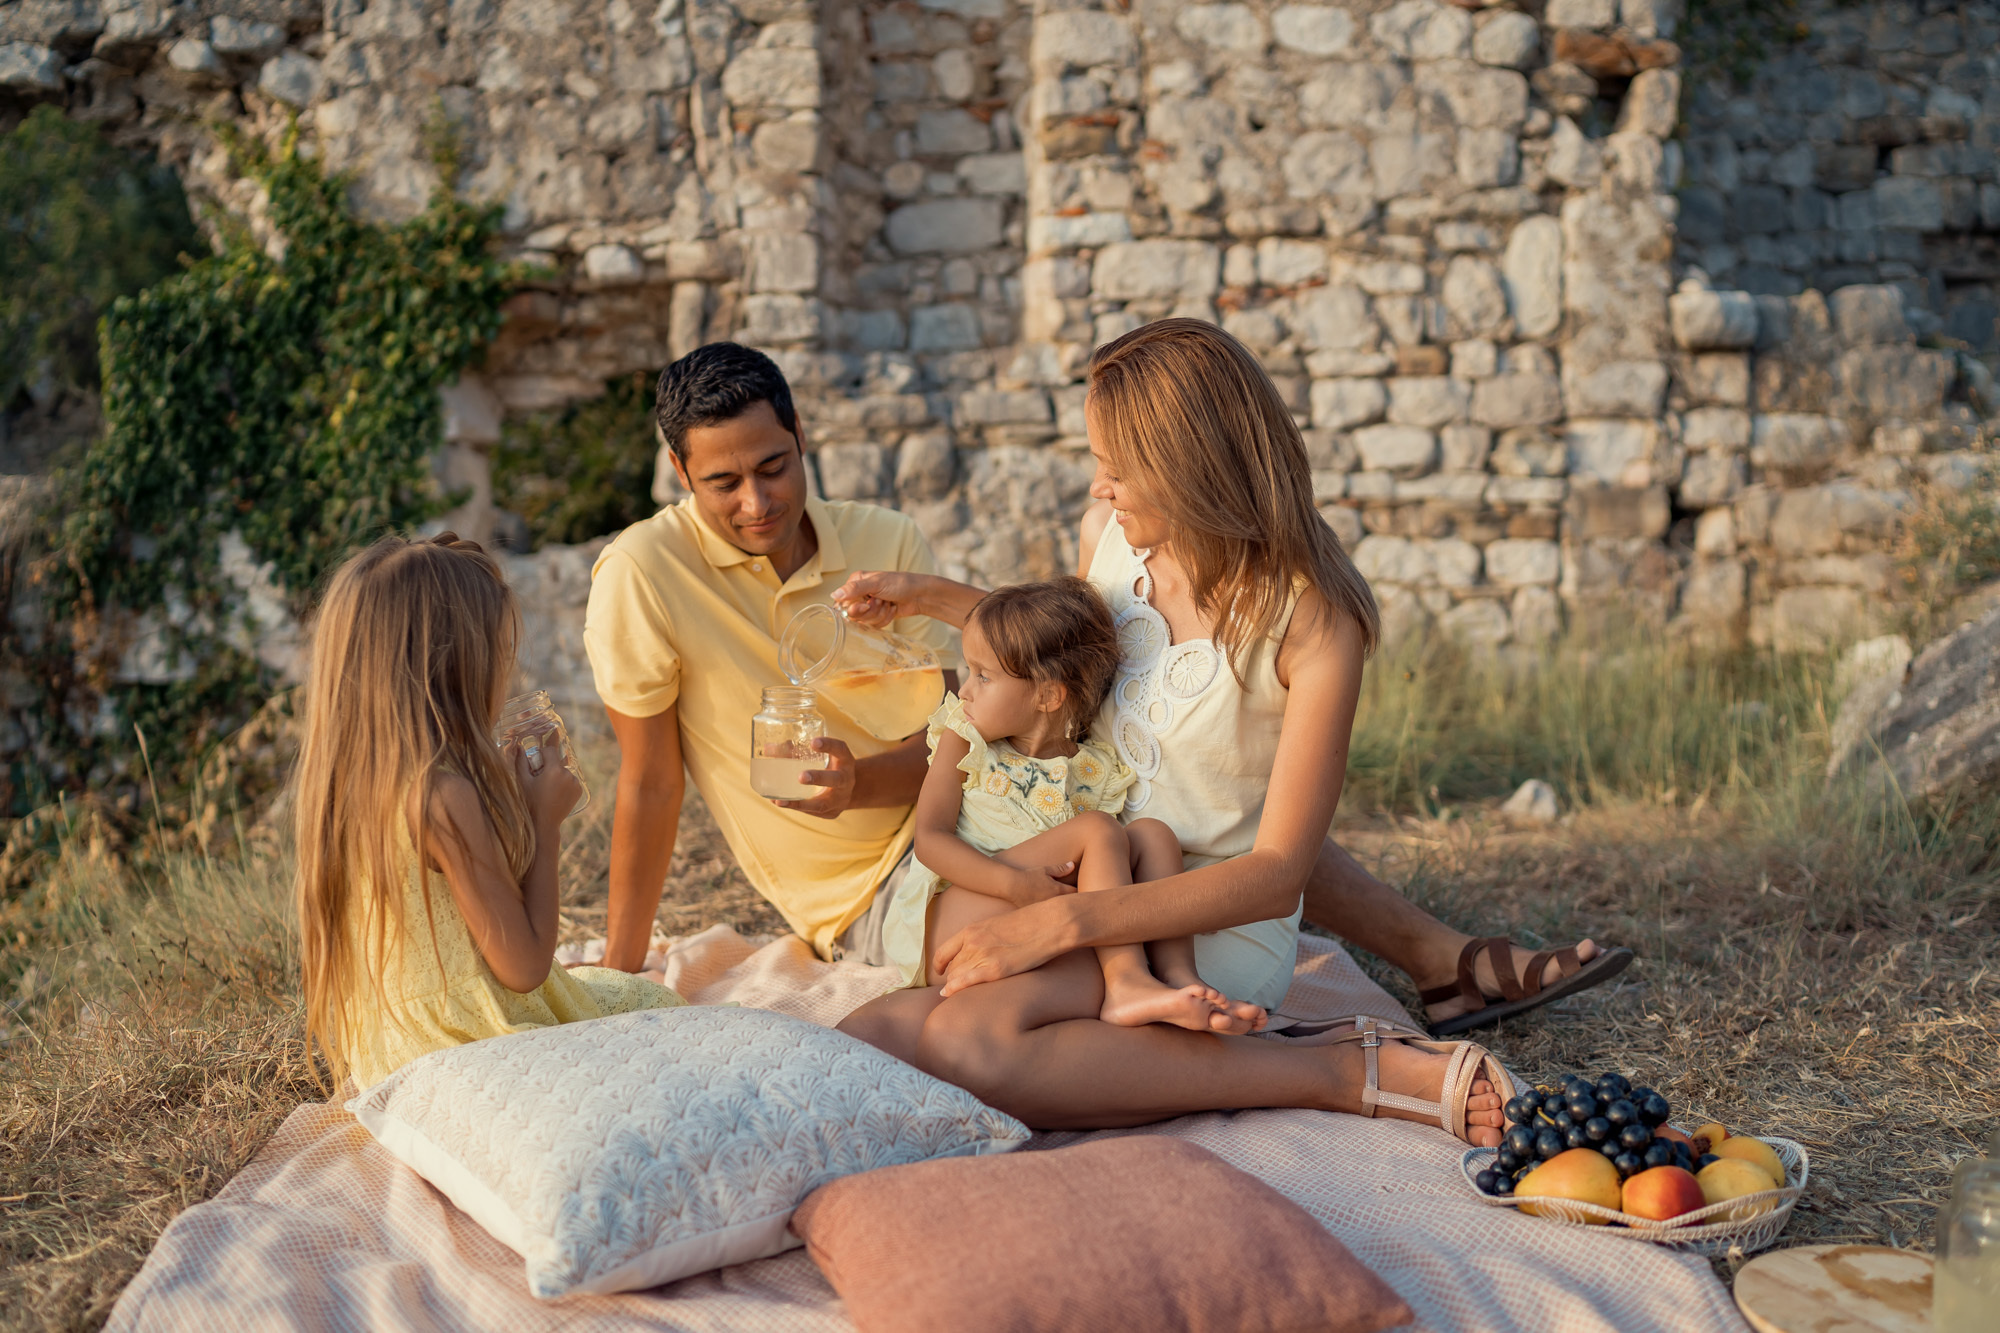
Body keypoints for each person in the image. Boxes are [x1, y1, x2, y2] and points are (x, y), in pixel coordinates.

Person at [827, 319, 1619, 1140]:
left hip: (1199, 922)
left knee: (969, 1042)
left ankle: (1345, 1070)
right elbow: (1050, 668)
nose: (1099, 487)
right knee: (878, 1035)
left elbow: (1278, 873)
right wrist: (932, 597)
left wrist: (1057, 923)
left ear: (1188, 467)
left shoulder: (1311, 620)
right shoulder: (1112, 543)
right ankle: (1361, 1010)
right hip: (1088, 868)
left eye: (1117, 468)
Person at [583, 342, 961, 976]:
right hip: (866, 894)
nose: (757, 504)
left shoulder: (888, 539)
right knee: (1026, 949)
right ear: (681, 471)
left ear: (800, 437)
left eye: (773, 467)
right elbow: (650, 782)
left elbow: (962, 740)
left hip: (981, 814)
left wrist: (858, 783)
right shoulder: (643, 571)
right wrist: (619, 976)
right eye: (723, 483)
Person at [293, 533, 687, 1091]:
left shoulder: (349, 789)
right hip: (470, 1046)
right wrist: (542, 824)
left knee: (618, 990)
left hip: (391, 1046)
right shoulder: (442, 798)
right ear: (455, 668)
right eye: (501, 654)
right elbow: (524, 969)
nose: (509, 675)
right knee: (657, 1004)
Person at [889, 576, 1268, 1034]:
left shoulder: (1095, 768)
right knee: (1097, 830)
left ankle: (1178, 978)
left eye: (983, 676)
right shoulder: (963, 739)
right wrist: (1013, 886)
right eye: (971, 671)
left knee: (1153, 835)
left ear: (1049, 696)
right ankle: (1126, 982)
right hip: (956, 928)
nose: (966, 690)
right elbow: (929, 840)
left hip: (1037, 931)